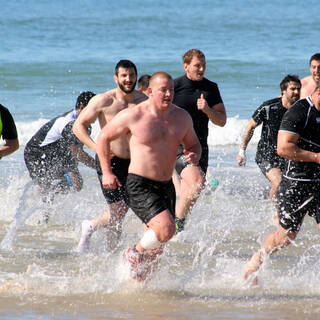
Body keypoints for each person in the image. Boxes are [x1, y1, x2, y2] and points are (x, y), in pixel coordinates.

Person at [96, 72, 201, 281]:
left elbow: (194, 144)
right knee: (166, 229)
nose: (168, 94)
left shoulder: (181, 117)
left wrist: (194, 155)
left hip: (166, 185)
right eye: (163, 90)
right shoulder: (134, 115)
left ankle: (139, 287)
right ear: (150, 91)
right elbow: (103, 137)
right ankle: (133, 252)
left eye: (171, 90)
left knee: (157, 248)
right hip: (139, 184)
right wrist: (106, 171)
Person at [243, 84, 320, 284]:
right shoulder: (300, 111)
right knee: (287, 236)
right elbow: (283, 148)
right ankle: (258, 258)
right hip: (297, 183)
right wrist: (316, 157)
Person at [73, 60, 147, 252]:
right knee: (119, 210)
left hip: (135, 162)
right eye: (124, 75)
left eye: (131, 75)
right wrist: (97, 148)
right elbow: (78, 126)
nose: (128, 79)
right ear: (116, 78)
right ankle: (95, 234)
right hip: (110, 161)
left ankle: (103, 241)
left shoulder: (144, 101)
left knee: (126, 209)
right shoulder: (104, 100)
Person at [173, 49, 227, 232]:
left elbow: (222, 120)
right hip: (178, 147)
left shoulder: (211, 88)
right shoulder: (175, 86)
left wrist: (207, 110)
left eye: (203, 65)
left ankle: (173, 225)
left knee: (191, 191)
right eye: (197, 65)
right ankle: (177, 221)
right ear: (186, 66)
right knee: (197, 184)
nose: (201, 68)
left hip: (201, 147)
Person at [24, 92, 96, 210]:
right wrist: (99, 166)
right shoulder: (69, 123)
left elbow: (76, 152)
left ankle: (52, 195)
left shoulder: (87, 125)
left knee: (77, 183)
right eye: (94, 109)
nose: (97, 113)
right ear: (82, 108)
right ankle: (41, 216)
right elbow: (77, 153)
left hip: (58, 151)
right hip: (36, 153)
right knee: (46, 187)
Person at [236, 75, 301, 203]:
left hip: (287, 156)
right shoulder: (268, 107)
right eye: (293, 89)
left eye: (299, 89)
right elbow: (250, 127)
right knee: (279, 183)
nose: (297, 92)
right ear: (283, 90)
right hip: (266, 155)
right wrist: (242, 151)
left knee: (293, 188)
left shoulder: (300, 110)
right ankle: (274, 213)